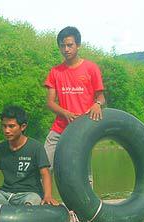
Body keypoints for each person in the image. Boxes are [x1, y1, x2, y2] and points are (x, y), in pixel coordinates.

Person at [0, 106, 59, 206]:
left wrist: (48, 196)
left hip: (28, 194)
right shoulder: (0, 149)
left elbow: (45, 173)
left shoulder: (36, 147)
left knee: (33, 200)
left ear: (23, 127)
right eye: (4, 126)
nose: (7, 130)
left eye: (11, 126)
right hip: (4, 194)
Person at [43, 26, 106, 170]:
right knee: (43, 167)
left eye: (70, 45)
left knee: (83, 172)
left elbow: (101, 97)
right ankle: (41, 193)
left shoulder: (91, 68)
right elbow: (50, 103)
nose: (66, 49)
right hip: (60, 128)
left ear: (78, 45)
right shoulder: (55, 72)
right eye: (62, 45)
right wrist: (65, 113)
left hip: (83, 128)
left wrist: (97, 104)